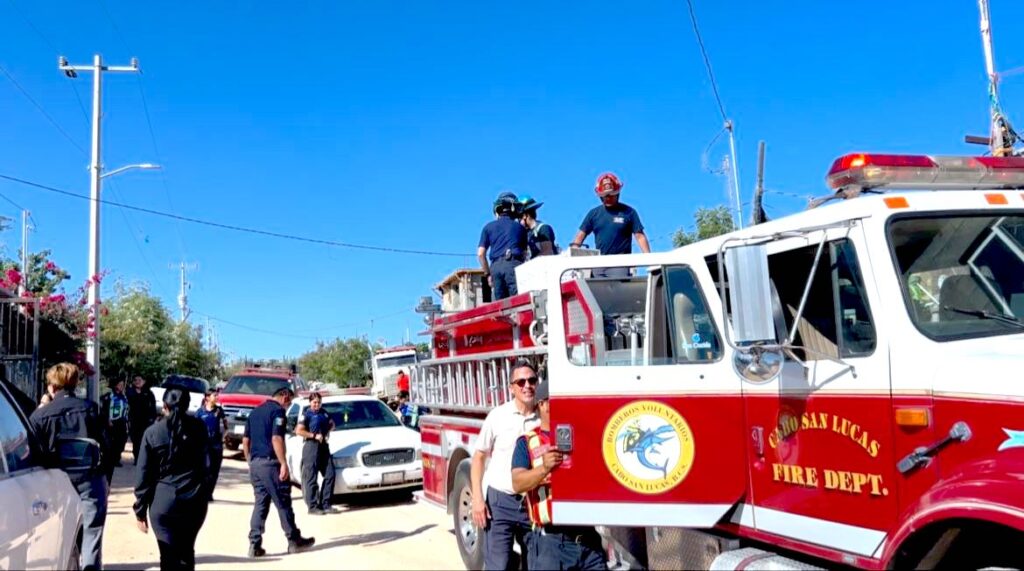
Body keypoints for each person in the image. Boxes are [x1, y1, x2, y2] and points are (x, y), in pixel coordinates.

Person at [512, 381, 607, 570]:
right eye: (556, 400)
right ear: (542, 404)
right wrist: (544, 468)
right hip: (552, 543)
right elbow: (517, 483)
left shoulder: (583, 436)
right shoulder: (528, 442)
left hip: (589, 541)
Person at [29, 363, 109, 571]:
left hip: (56, 482)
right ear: (74, 384)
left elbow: (31, 451)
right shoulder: (91, 409)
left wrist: (42, 406)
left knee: (59, 533)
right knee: (92, 532)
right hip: (90, 478)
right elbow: (107, 447)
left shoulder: (40, 416)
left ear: (52, 386)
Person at [471, 358, 541, 570]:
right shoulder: (498, 416)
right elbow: (479, 457)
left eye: (532, 380)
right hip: (500, 502)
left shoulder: (544, 416)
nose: (527, 386)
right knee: (499, 566)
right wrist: (477, 499)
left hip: (533, 503)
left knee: (536, 565)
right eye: (521, 382)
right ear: (511, 388)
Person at [134, 388, 210, 570]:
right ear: (187, 405)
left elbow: (143, 475)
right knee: (186, 553)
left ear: (164, 406)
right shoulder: (199, 428)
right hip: (194, 501)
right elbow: (208, 464)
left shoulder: (153, 432)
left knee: (168, 556)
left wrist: (140, 509)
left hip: (164, 501)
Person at [244, 386, 315, 557]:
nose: (289, 403)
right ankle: (294, 540)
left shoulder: (254, 412)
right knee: (283, 502)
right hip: (271, 464)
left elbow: (246, 441)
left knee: (260, 504)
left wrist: (250, 462)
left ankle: (254, 544)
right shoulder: (277, 412)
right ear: (283, 396)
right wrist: (283, 463)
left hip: (256, 465)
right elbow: (276, 438)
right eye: (289, 399)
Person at [570, 172, 651, 278]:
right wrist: (573, 252)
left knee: (617, 286)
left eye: (611, 195)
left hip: (620, 263)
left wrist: (649, 260)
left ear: (617, 193)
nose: (608, 198)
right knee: (595, 287)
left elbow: (639, 236)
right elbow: (580, 235)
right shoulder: (594, 214)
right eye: (604, 196)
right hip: (599, 263)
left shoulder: (629, 212)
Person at [478, 191, 529, 300]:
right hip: (514, 265)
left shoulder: (487, 227)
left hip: (495, 268)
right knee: (518, 303)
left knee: (499, 305)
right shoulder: (520, 228)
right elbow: (525, 254)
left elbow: (480, 254)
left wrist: (488, 274)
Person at [295, 392, 336, 515]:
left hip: (323, 446)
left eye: (319, 402)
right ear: (310, 402)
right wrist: (313, 435)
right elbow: (299, 431)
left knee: (330, 474)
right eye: (314, 402)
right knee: (311, 477)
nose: (317, 405)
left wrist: (327, 431)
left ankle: (325, 504)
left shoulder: (324, 412)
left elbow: (332, 423)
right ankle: (312, 506)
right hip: (311, 446)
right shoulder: (306, 414)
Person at [196, 390, 228, 501]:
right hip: (204, 445)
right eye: (214, 395)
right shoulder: (200, 412)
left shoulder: (219, 411)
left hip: (216, 445)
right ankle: (202, 492)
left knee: (215, 469)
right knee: (206, 469)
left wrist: (223, 436)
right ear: (207, 397)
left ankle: (209, 493)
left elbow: (226, 426)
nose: (217, 397)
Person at [100, 378, 130, 482]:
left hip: (122, 422)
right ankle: (112, 459)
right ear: (115, 385)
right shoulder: (109, 396)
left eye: (123, 385)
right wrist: (107, 419)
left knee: (122, 440)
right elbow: (104, 408)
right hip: (112, 422)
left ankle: (117, 457)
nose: (122, 386)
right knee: (112, 442)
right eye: (120, 384)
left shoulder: (124, 396)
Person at [127, 375, 158, 465]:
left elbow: (153, 407)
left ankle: (144, 459)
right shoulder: (130, 392)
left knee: (144, 440)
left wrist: (153, 418)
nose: (137, 382)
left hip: (145, 421)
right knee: (135, 440)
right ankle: (137, 458)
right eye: (135, 380)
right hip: (134, 420)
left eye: (139, 380)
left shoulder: (149, 393)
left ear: (144, 381)